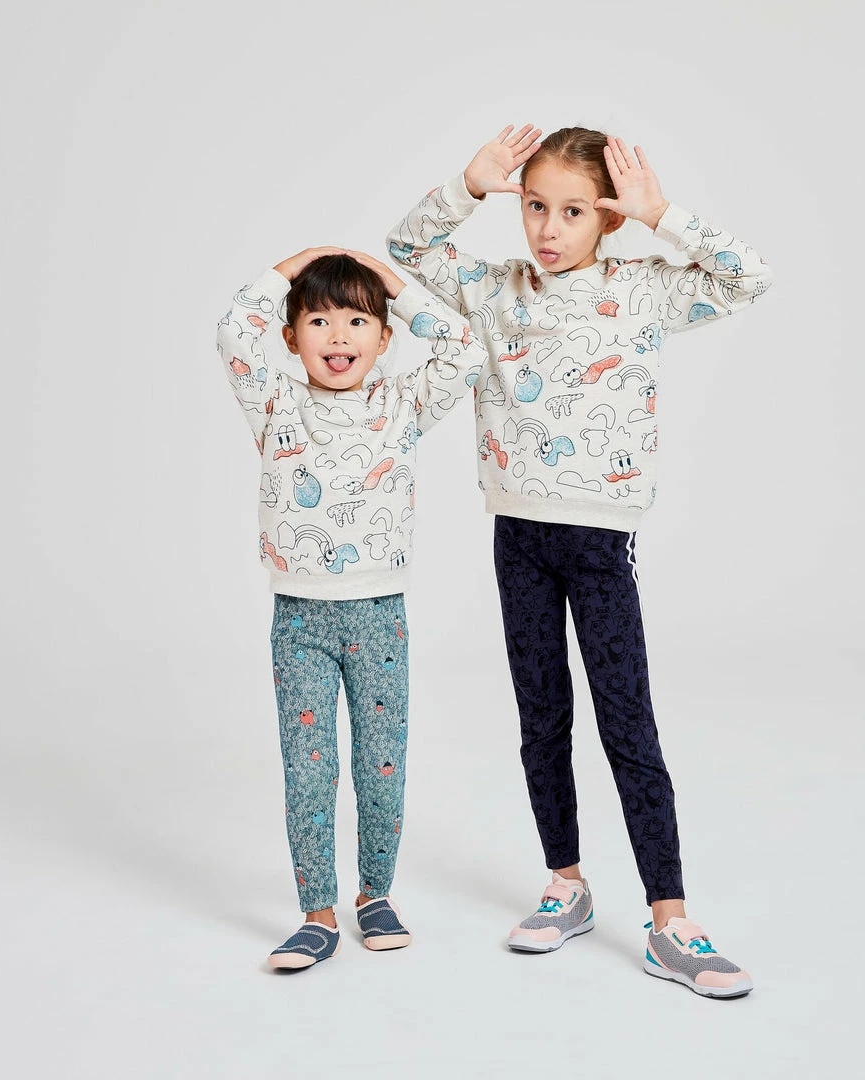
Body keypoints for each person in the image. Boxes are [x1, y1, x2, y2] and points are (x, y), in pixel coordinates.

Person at [385, 124, 772, 998]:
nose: (548, 229)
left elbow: (749, 277)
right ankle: (565, 884)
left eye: (571, 211)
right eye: (534, 207)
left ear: (607, 218)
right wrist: (466, 187)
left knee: (627, 722)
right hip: (517, 535)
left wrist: (663, 214)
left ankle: (670, 920)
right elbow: (405, 251)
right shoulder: (494, 289)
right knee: (542, 718)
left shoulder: (641, 290)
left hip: (599, 541)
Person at [216, 248, 486, 970]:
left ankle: (375, 895)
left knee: (380, 763)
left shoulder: (401, 404)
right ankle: (317, 912)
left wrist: (394, 283)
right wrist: (291, 267)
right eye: (319, 321)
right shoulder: (274, 403)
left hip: (379, 614)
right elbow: (232, 330)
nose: (339, 336)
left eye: (358, 320)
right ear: (291, 336)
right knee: (309, 770)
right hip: (300, 619)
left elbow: (465, 349)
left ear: (385, 338)